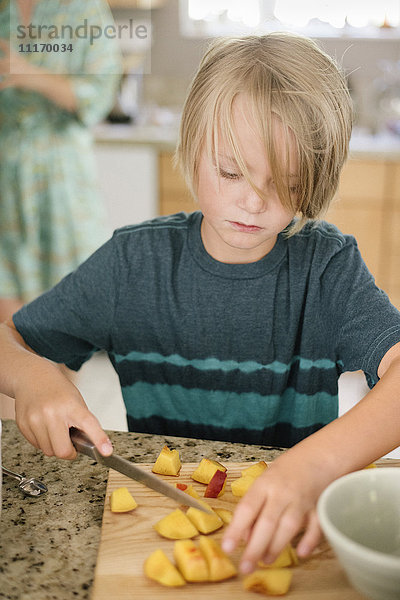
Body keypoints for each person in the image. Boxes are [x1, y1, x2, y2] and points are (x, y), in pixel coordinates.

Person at [0, 33, 400, 575]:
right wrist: (30, 378)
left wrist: (314, 467)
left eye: (283, 182)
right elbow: (9, 340)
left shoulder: (327, 269)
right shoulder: (132, 265)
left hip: (290, 529)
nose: (252, 201)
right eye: (232, 172)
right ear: (189, 149)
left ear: (315, 180)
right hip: (159, 519)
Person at [0, 0, 121, 319]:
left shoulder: (83, 9)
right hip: (4, 174)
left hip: (60, 177)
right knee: (7, 309)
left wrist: (28, 74)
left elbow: (98, 96)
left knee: (64, 314)